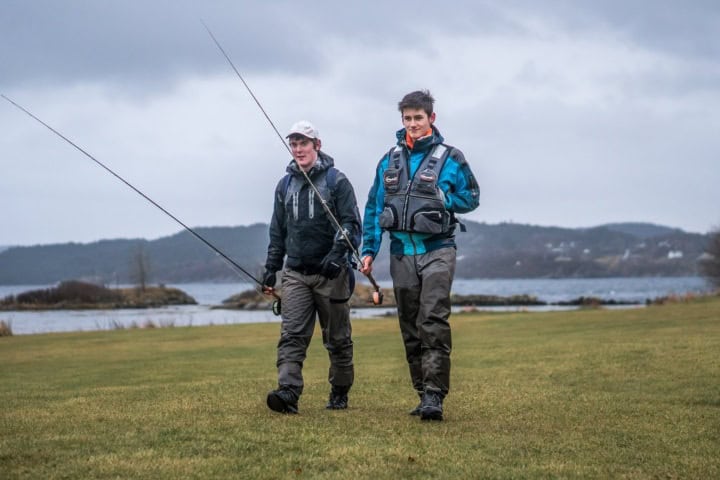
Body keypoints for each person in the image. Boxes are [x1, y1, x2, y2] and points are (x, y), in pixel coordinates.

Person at [360, 90, 479, 421]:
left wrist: (446, 198)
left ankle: (434, 395)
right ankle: (422, 392)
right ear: (402, 120)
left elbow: (472, 196)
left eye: (418, 118)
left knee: (432, 320)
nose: (412, 124)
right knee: (410, 325)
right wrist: (369, 249)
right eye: (407, 119)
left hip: (438, 249)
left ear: (431, 119)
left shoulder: (452, 158)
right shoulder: (388, 160)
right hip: (401, 253)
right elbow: (374, 208)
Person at [263, 120, 362, 414]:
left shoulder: (337, 181)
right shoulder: (284, 185)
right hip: (295, 274)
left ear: (317, 146)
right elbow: (276, 232)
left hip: (333, 274)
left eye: (303, 143)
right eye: (293, 144)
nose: (298, 149)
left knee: (338, 339)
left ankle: (340, 391)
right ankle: (288, 392)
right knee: (292, 335)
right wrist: (271, 268)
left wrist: (337, 254)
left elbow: (352, 225)